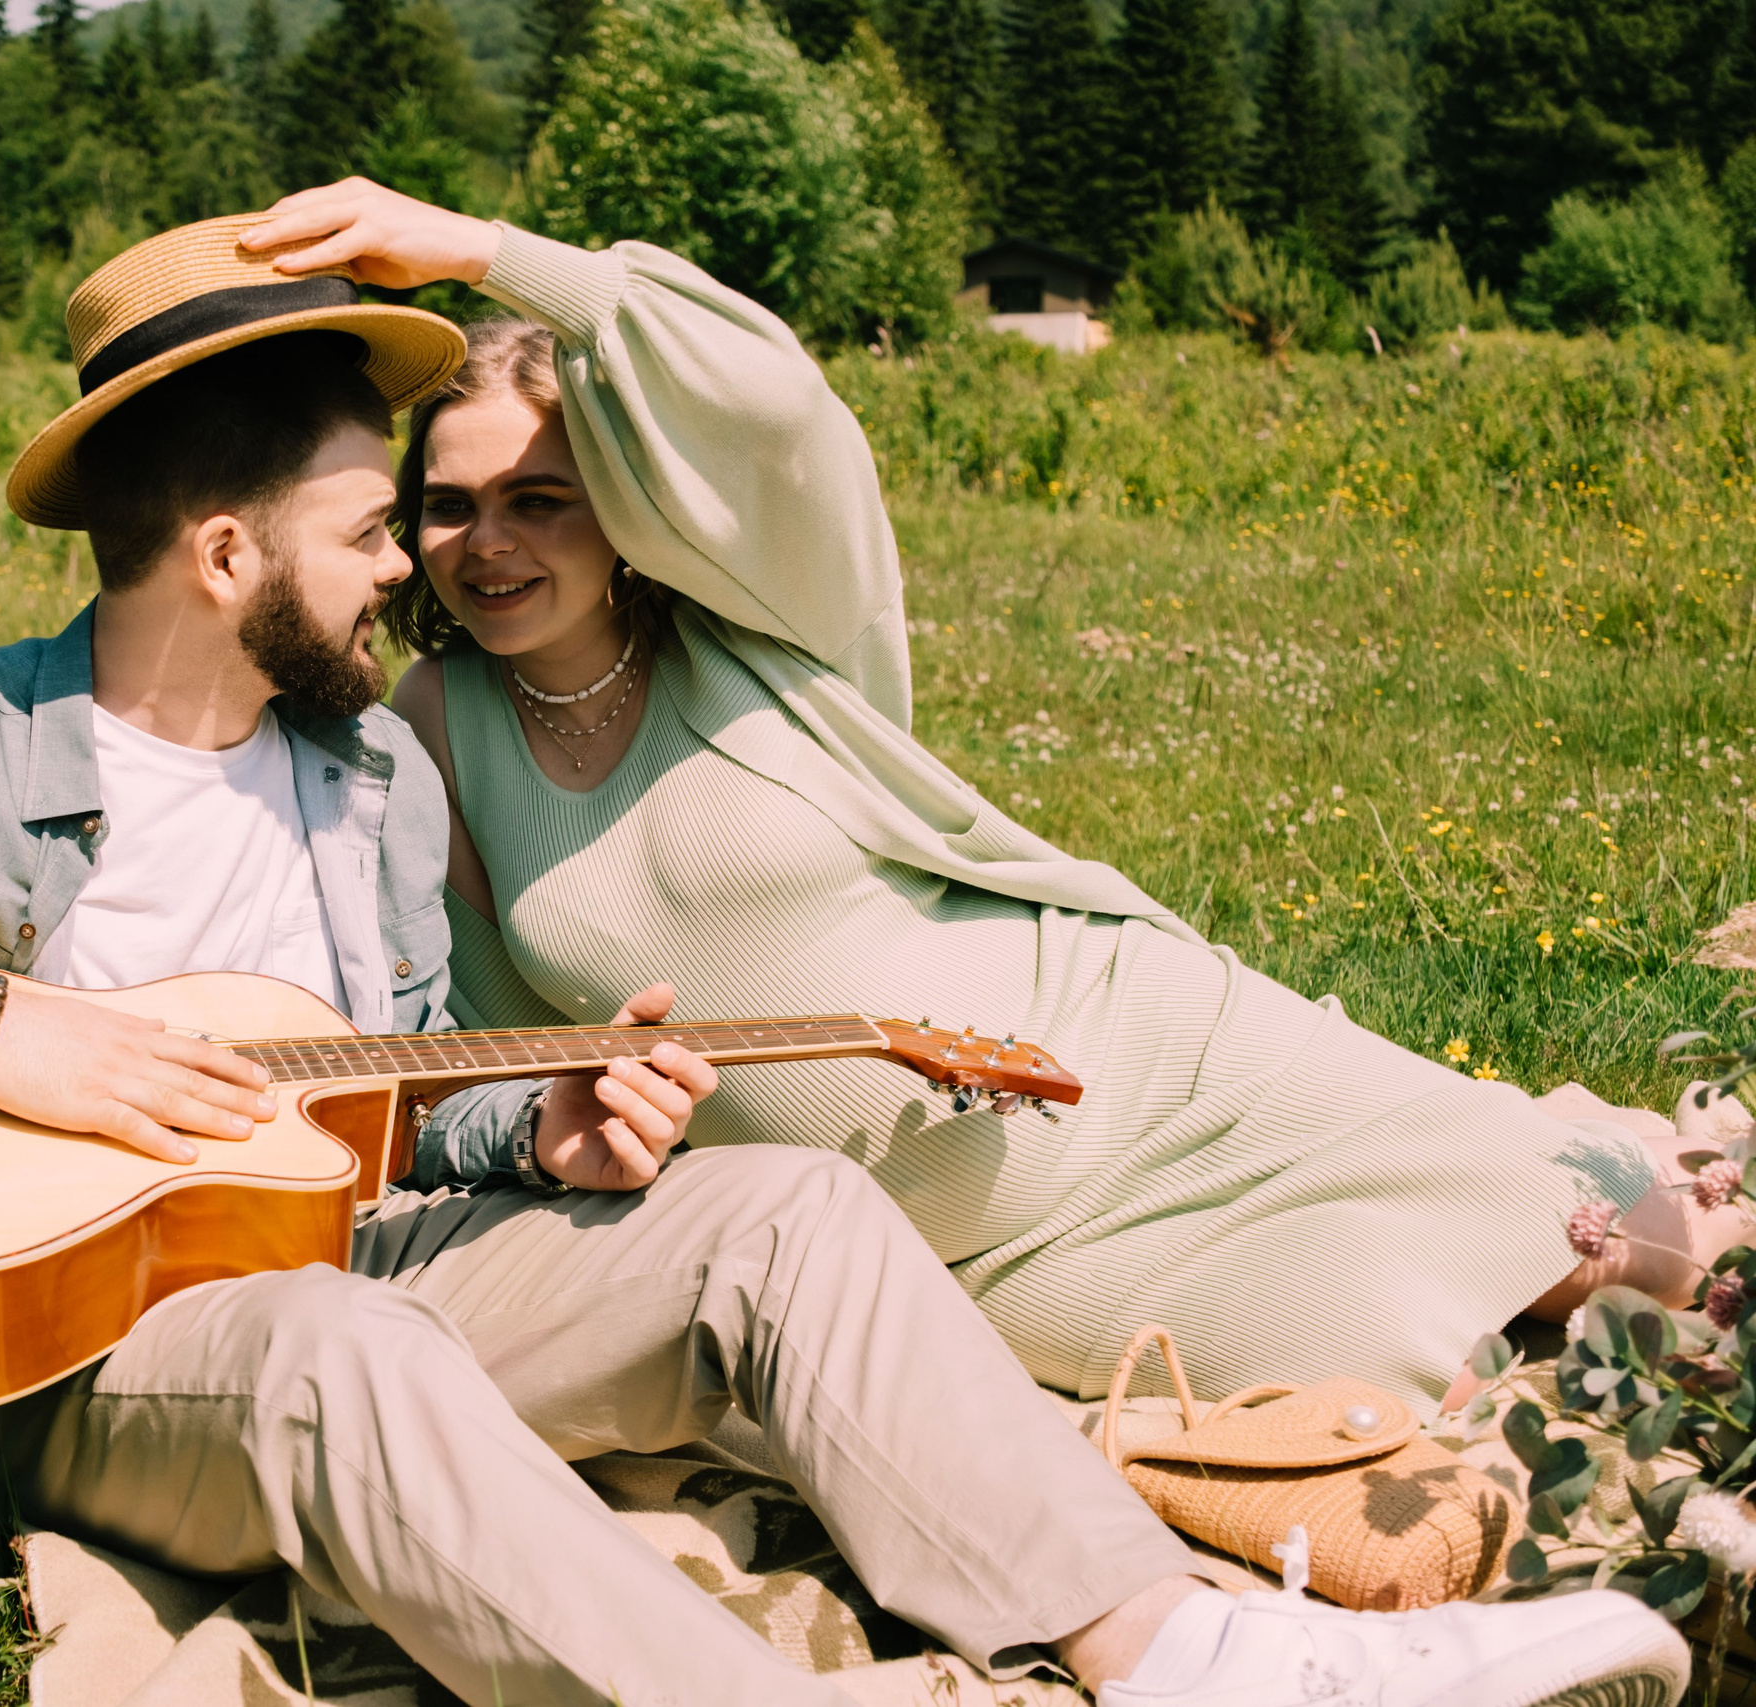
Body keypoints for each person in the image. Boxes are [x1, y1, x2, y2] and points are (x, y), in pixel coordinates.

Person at [0, 212, 1687, 1707]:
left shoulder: (364, 775)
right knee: (336, 1361)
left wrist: (529, 1118)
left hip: (355, 1255)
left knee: (787, 1215)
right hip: (55, 1354)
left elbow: (370, 1090)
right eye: (378, 526)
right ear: (217, 549)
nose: (416, 571)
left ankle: (1191, 1650)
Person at [236, 178, 1752, 1420]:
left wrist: (491, 256)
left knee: (1606, 1247)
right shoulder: (428, 733)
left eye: (538, 498)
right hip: (976, 1262)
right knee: (1325, 1380)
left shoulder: (765, 629)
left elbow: (777, 415)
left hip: (1156, 1071)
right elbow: (502, 1036)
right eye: (449, 504)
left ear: (626, 515)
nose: (486, 543)